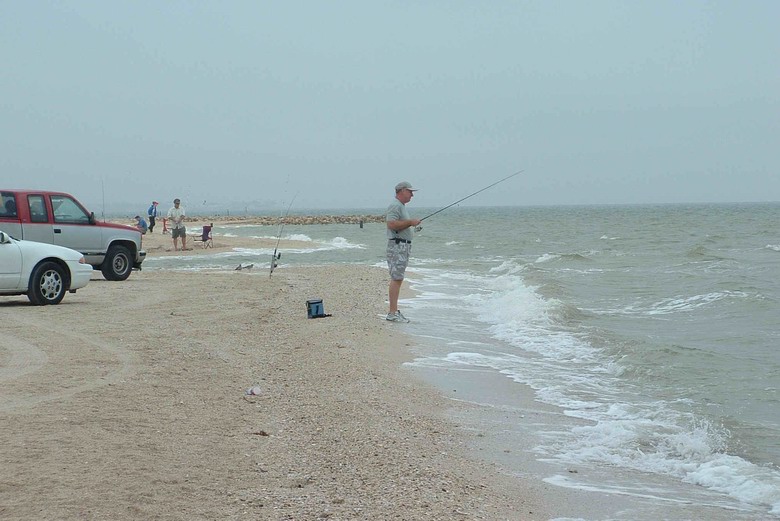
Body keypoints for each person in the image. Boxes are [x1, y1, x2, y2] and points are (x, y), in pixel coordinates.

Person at [385, 181, 421, 323]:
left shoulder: (401, 206)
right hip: (397, 245)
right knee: (397, 278)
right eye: (410, 191)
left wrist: (411, 225)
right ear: (401, 191)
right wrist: (410, 222)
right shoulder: (395, 205)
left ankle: (394, 311)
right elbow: (391, 224)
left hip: (402, 246)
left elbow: (399, 224)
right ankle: (392, 313)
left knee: (398, 277)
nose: (412, 194)